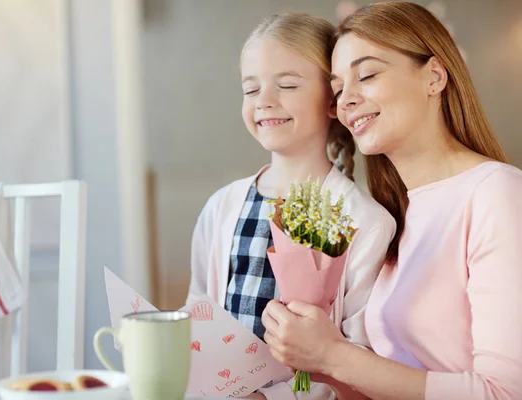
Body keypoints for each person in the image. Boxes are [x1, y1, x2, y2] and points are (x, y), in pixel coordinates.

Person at [261, 2, 522, 399]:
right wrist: (307, 360)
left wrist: (333, 355)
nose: (346, 100)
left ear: (434, 76)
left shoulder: (495, 193)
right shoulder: (394, 217)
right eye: (337, 89)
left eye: (366, 74)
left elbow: (504, 393)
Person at [187, 13, 395, 399]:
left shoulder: (365, 221)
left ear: (332, 102)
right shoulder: (222, 207)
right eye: (250, 90)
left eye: (286, 85)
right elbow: (199, 311)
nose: (264, 101)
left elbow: (360, 359)